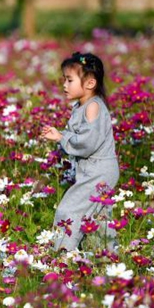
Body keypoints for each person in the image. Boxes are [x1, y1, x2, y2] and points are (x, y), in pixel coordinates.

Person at [42, 52, 120, 252]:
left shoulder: (93, 107)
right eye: (64, 80)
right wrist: (60, 134)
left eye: (69, 80)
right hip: (96, 169)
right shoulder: (82, 106)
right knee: (98, 218)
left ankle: (61, 255)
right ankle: (104, 257)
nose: (64, 85)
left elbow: (87, 144)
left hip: (98, 170)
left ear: (90, 84)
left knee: (68, 210)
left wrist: (62, 138)